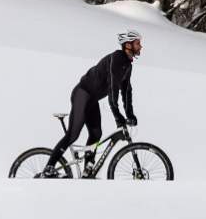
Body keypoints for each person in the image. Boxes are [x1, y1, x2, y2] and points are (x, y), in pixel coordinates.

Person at [44, 30, 141, 177]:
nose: (140, 46)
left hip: (93, 99)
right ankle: (49, 168)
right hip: (82, 94)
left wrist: (130, 114)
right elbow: (113, 88)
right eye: (137, 43)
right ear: (128, 45)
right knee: (73, 135)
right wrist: (117, 115)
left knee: (96, 134)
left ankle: (87, 169)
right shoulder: (117, 58)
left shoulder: (127, 65)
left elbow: (126, 91)